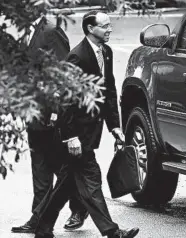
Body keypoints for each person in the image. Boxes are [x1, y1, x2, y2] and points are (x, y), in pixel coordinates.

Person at [33, 10, 139, 238]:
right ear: (91, 29)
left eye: (110, 25)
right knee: (91, 180)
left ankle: (42, 228)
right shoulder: (77, 57)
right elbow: (65, 100)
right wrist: (70, 137)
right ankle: (112, 232)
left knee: (66, 183)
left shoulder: (106, 53)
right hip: (76, 135)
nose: (110, 29)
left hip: (92, 132)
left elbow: (108, 91)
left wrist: (115, 126)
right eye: (105, 26)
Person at [11, 4, 89, 234]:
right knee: (42, 167)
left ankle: (79, 205)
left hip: (49, 114)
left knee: (59, 166)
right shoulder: (33, 30)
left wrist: (57, 113)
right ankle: (39, 217)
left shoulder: (51, 30)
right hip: (34, 112)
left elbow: (63, 74)